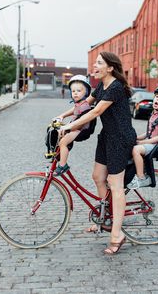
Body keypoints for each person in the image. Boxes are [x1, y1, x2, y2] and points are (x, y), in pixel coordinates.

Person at [60, 52, 137, 255]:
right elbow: (85, 105)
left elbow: (95, 112)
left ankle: (117, 234)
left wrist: (70, 128)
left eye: (99, 62)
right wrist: (63, 116)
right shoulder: (101, 86)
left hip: (120, 139)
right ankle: (106, 216)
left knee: (115, 185)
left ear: (110, 68)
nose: (95, 65)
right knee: (97, 177)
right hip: (106, 137)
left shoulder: (115, 88)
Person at [127, 85, 158, 189]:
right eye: (157, 97)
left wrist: (142, 143)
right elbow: (148, 133)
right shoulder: (154, 115)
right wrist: (136, 138)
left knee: (136, 150)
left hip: (156, 146)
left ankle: (141, 178)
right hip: (151, 143)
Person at [54, 75, 92, 176]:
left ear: (86, 92)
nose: (75, 93)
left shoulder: (85, 106)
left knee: (63, 142)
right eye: (73, 91)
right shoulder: (79, 104)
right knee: (59, 136)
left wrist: (68, 127)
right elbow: (74, 116)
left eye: (79, 91)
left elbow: (80, 122)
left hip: (81, 130)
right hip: (77, 128)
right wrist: (62, 119)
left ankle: (62, 165)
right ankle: (59, 155)